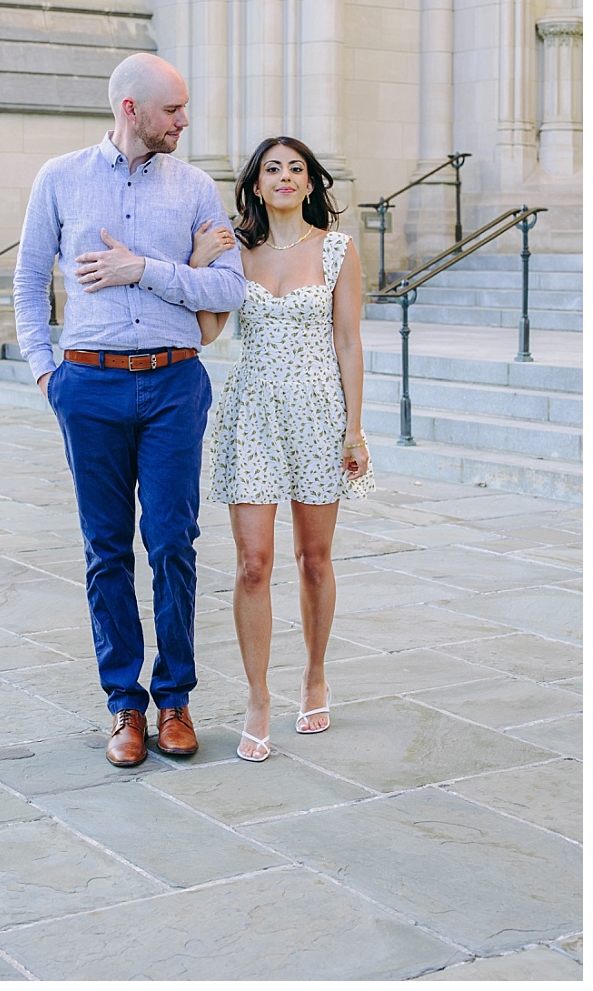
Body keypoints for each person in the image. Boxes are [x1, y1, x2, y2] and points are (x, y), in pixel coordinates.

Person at [12, 52, 246, 767]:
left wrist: (144, 269)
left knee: (173, 541)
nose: (183, 120)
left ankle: (174, 700)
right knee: (106, 549)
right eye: (172, 109)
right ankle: (124, 707)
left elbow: (231, 290)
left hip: (176, 383)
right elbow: (28, 281)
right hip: (90, 385)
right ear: (130, 109)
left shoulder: (198, 187)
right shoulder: (60, 179)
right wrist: (47, 375)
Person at [189, 135, 373, 763]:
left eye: (296, 168)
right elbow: (209, 331)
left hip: (320, 412)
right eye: (273, 169)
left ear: (312, 182)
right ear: (256, 185)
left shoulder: (338, 250)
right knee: (252, 563)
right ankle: (258, 696)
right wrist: (197, 263)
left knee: (314, 558)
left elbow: (349, 342)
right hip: (253, 413)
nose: (286, 177)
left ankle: (315, 675)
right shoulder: (237, 253)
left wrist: (355, 427)